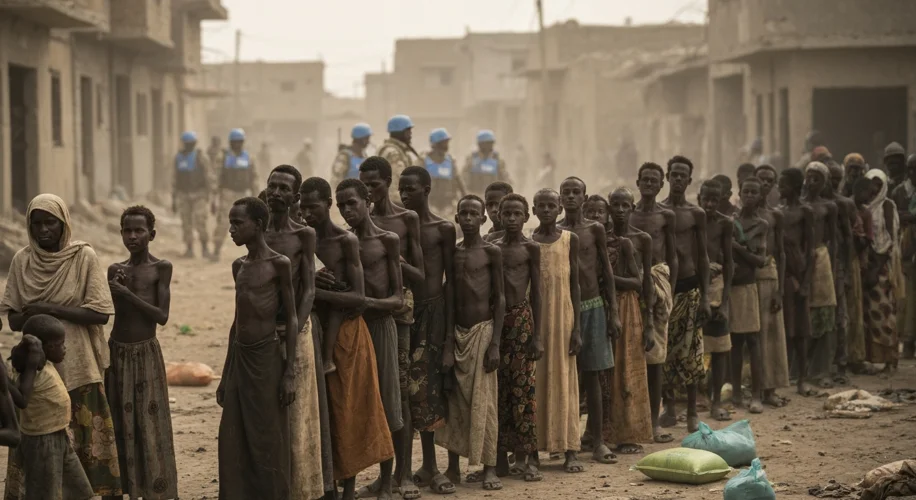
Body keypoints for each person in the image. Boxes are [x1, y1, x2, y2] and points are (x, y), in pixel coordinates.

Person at [0, 193, 120, 497]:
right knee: (39, 436)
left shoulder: (83, 257)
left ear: (63, 222)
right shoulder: (21, 261)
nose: (43, 230)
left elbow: (101, 313)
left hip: (78, 362)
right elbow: (13, 319)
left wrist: (48, 309)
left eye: (50, 222)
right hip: (34, 368)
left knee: (82, 442)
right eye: (36, 223)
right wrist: (35, 313)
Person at [299, 177, 393, 500]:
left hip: (347, 335)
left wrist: (318, 293)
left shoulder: (345, 242)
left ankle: (349, 490)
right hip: (313, 331)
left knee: (348, 409)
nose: (307, 213)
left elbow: (356, 297)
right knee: (322, 412)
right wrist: (313, 284)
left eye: (314, 207)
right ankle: (329, 486)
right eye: (303, 208)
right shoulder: (302, 239)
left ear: (326, 205)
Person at [216, 197, 297, 499]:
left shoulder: (279, 264)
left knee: (268, 435)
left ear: (258, 225)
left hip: (267, 358)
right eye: (231, 223)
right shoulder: (239, 265)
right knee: (233, 434)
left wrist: (289, 372)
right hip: (241, 358)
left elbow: (290, 318)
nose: (231, 229)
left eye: (238, 223)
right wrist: (226, 373)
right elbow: (237, 322)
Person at [359, 156, 424, 499]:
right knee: (374, 393)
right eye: (364, 185)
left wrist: (395, 260)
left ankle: (405, 473)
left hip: (399, 313)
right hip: (365, 315)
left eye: (375, 184)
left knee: (398, 391)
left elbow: (420, 273)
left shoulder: (405, 219)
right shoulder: (357, 221)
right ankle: (382, 474)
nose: (369, 191)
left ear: (388, 182)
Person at [336, 178, 406, 500]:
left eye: (352, 203)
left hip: (381, 326)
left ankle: (387, 481)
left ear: (367, 200)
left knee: (388, 404)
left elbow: (398, 299)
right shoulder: (342, 243)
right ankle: (348, 485)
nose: (347, 210)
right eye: (341, 206)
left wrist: (368, 304)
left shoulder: (387, 241)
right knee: (354, 404)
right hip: (353, 331)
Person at [263, 165, 328, 500]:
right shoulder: (257, 231)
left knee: (299, 414)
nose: (276, 193)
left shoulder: (303, 235)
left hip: (297, 332)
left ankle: (302, 490)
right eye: (272, 186)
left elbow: (309, 290)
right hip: (261, 334)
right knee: (269, 413)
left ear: (295, 196)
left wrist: (295, 328)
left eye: (284, 189)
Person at [106, 206, 178, 500]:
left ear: (152, 234)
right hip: (117, 353)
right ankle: (120, 489)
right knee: (118, 424)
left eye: (139, 231)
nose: (132, 236)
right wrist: (118, 291)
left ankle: (154, 491)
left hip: (146, 354)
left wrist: (127, 294)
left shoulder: (161, 268)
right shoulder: (115, 270)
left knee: (149, 424)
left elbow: (161, 316)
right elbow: (114, 312)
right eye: (127, 230)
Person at [436, 194, 505, 491]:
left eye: (473, 213)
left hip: (483, 331)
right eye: (462, 213)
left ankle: (489, 467)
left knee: (485, 402)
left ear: (483, 218)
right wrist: (448, 342)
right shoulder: (454, 254)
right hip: (459, 334)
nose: (467, 219)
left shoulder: (492, 253)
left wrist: (495, 344)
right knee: (455, 401)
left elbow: (499, 297)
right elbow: (449, 296)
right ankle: (453, 467)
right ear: (456, 218)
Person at [397, 166, 457, 495]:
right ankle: (403, 467)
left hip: (432, 312)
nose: (405, 194)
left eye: (411, 189)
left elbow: (452, 283)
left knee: (429, 390)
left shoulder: (441, 229)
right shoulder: (391, 228)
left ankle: (431, 464)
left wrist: (448, 337)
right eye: (401, 189)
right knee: (403, 391)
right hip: (402, 313)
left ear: (427, 189)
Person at [557, 177, 620, 465]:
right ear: (560, 199)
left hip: (593, 306)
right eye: (566, 193)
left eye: (575, 192)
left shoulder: (594, 229)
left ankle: (598, 441)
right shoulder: (554, 231)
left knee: (593, 375)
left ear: (584, 197)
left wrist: (614, 312)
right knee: (564, 376)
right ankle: (564, 438)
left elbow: (606, 272)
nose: (571, 197)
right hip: (562, 309)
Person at [8, 318, 93, 500]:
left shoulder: (43, 364)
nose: (65, 348)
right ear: (44, 348)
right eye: (60, 344)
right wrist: (31, 363)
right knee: (44, 493)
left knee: (79, 490)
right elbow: (22, 399)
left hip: (58, 436)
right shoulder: (30, 371)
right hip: (42, 442)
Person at [530, 188, 583, 473]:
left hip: (563, 318)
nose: (548, 210)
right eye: (542, 205)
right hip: (537, 319)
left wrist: (577, 329)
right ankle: (533, 450)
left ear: (560, 207)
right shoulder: (529, 241)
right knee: (536, 381)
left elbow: (575, 284)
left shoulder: (569, 239)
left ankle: (569, 448)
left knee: (565, 381)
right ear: (534, 208)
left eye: (552, 205)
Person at [490, 194, 543, 480]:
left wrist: (538, 335)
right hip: (495, 323)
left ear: (526, 217)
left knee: (523, 391)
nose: (511, 219)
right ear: (498, 215)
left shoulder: (530, 248)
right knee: (497, 391)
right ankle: (498, 458)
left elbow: (537, 293)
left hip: (522, 321)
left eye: (516, 214)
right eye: (506, 213)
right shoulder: (492, 248)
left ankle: (523, 459)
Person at [660, 155, 711, 433]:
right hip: (665, 288)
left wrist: (705, 296)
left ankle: (691, 411)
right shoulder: (658, 212)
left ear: (690, 180)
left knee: (691, 351)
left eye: (683, 175)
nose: (678, 179)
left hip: (690, 286)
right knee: (664, 351)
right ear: (667, 177)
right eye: (674, 174)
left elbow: (702, 256)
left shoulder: (696, 213)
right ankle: (668, 407)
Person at [601, 189, 655, 454]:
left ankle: (630, 434)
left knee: (628, 370)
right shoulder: (602, 238)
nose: (620, 210)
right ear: (609, 208)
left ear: (633, 207)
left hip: (629, 307)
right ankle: (602, 433)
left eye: (625, 205)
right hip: (603, 306)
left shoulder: (640, 239)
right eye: (616, 205)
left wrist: (651, 322)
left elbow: (641, 282)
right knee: (605, 372)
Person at [628, 162, 676, 443]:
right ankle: (635, 420)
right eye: (644, 179)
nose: (648, 184)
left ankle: (654, 422)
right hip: (632, 285)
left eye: (653, 181)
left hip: (659, 283)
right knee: (632, 354)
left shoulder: (665, 216)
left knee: (655, 356)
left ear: (660, 185)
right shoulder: (627, 212)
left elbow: (672, 255)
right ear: (638, 182)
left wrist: (672, 289)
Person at [729, 177, 768, 414]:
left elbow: (760, 260)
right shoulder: (731, 221)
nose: (750, 195)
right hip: (732, 286)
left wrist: (738, 249)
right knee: (735, 342)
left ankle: (756, 394)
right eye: (746, 191)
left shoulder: (761, 224)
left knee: (753, 341)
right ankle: (735, 393)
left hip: (748, 286)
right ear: (740, 193)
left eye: (755, 192)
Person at [697, 179, 734, 421]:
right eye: (706, 199)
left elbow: (729, 261)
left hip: (717, 288)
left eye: (714, 200)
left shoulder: (725, 223)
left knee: (720, 347)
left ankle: (717, 401)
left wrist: (726, 302)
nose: (709, 204)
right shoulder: (692, 220)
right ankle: (694, 401)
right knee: (693, 348)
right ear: (699, 198)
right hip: (693, 287)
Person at [778, 168, 817, 396]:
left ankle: (803, 377)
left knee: (801, 330)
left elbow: (810, 249)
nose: (779, 189)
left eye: (783, 185)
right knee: (786, 327)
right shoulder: (778, 212)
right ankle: (788, 376)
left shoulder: (805, 211)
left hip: (800, 271)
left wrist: (806, 282)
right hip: (783, 274)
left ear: (794, 186)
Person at [800, 162, 838, 388]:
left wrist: (834, 268)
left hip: (822, 261)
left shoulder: (829, 207)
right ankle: (802, 368)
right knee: (803, 312)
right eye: (809, 177)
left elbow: (833, 239)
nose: (812, 182)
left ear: (824, 183)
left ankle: (823, 370)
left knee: (824, 312)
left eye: (817, 179)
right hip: (802, 258)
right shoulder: (799, 205)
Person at [755, 165, 790, 406]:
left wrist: (780, 290)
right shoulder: (740, 215)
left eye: (770, 180)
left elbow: (782, 253)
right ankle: (754, 389)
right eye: (761, 180)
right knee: (753, 337)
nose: (765, 184)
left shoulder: (775, 215)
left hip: (770, 274)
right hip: (747, 280)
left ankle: (770, 390)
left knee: (772, 335)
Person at [862, 169, 900, 372]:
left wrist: (875, 269)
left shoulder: (886, 205)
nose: (874, 187)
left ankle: (889, 358)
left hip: (881, 266)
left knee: (883, 311)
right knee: (869, 313)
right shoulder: (865, 206)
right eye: (871, 183)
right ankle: (873, 357)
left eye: (878, 183)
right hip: (867, 264)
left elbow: (889, 239)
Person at [825, 160, 856, 383]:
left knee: (840, 316)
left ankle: (841, 363)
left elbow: (848, 238)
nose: (834, 183)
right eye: (831, 179)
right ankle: (823, 364)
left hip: (837, 265)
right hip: (819, 263)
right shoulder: (813, 203)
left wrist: (845, 270)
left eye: (838, 179)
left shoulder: (843, 204)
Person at [213, 128, 259, 261]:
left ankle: (253, 252)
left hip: (243, 193)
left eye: (240, 142)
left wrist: (256, 196)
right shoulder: (223, 157)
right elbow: (217, 176)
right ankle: (216, 250)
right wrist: (214, 196)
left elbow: (254, 177)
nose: (237, 144)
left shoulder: (249, 157)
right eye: (235, 142)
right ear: (230, 143)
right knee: (223, 221)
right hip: (227, 192)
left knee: (249, 223)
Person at [891, 154, 916, 359]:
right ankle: (907, 343)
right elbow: (895, 216)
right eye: (910, 169)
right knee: (907, 298)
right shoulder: (900, 191)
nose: (912, 173)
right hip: (907, 250)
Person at [173, 131, 212, 258]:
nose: (188, 145)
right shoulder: (178, 158)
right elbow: (175, 179)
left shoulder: (201, 157)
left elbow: (208, 177)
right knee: (186, 223)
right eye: (187, 143)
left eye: (191, 143)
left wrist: (209, 195)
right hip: (183, 195)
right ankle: (189, 249)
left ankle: (205, 248)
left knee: (200, 221)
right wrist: (174, 198)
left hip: (199, 194)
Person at [421, 128, 466, 215]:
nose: (446, 145)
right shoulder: (424, 161)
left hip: (448, 205)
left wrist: (466, 198)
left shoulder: (450, 161)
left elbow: (458, 181)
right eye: (444, 142)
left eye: (447, 142)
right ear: (436, 144)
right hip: (430, 204)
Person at [378, 115, 422, 203]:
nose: (410, 134)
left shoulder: (394, 150)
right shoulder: (394, 153)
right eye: (408, 131)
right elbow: (396, 182)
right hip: (395, 203)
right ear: (400, 132)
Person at [463, 130, 511, 197]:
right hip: (475, 195)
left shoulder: (497, 160)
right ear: (480, 144)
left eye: (491, 143)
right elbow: (464, 178)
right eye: (488, 143)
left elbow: (505, 178)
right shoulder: (472, 160)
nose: (491, 146)